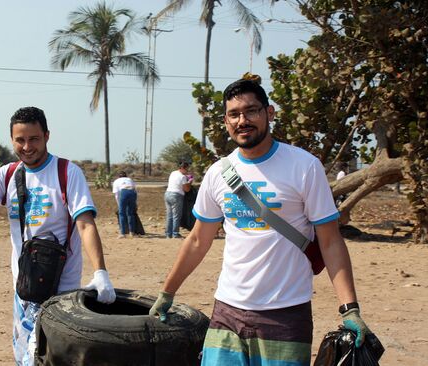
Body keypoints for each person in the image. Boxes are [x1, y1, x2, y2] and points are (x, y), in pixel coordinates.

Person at [149, 79, 371, 365]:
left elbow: (329, 240)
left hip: (285, 315)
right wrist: (167, 292)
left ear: (270, 113)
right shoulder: (218, 173)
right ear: (226, 122)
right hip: (227, 311)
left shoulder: (304, 166)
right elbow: (197, 240)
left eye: (251, 111)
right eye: (234, 114)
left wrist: (349, 308)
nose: (242, 120)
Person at [0, 106, 116, 366]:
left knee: (50, 358)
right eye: (20, 140)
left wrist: (101, 273)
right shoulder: (8, 174)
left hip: (61, 290)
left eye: (34, 139)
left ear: (47, 136)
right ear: (12, 140)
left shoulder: (67, 173)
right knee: (25, 358)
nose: (27, 146)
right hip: (24, 287)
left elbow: (85, 224)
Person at [164, 161, 192, 238]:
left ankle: (168, 233)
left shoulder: (173, 173)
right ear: (183, 168)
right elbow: (187, 189)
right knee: (176, 215)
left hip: (168, 194)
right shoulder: (182, 177)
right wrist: (189, 182)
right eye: (187, 169)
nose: (187, 171)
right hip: (176, 196)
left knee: (169, 215)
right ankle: (175, 233)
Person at [112, 170, 138, 239]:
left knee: (122, 213)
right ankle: (132, 232)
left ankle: (123, 233)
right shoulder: (129, 179)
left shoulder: (116, 181)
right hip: (132, 192)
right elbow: (135, 190)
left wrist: (119, 204)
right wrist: (135, 203)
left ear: (118, 176)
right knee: (130, 213)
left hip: (124, 192)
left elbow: (116, 194)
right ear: (125, 176)